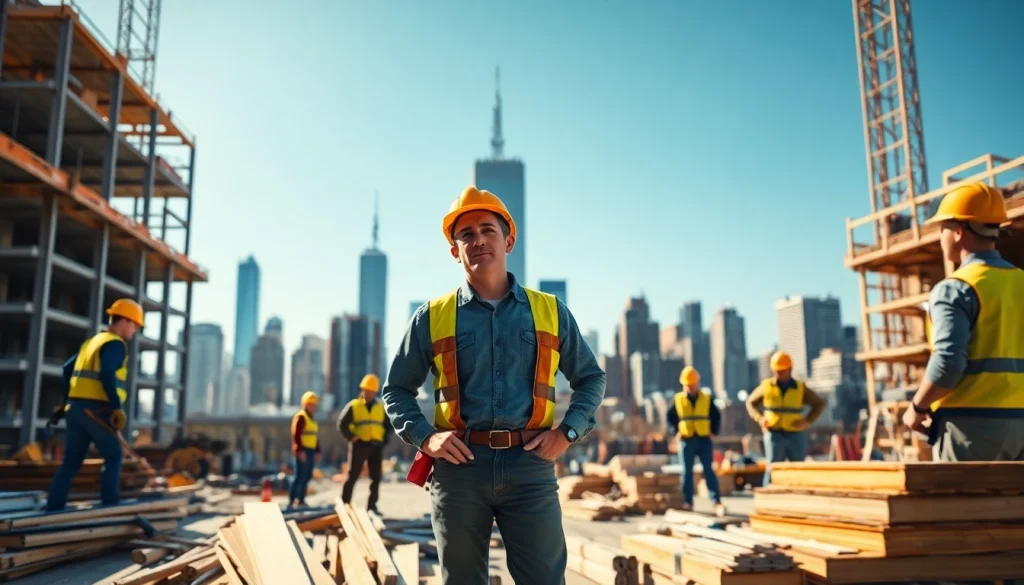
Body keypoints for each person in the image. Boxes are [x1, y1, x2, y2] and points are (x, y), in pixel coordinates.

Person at [381, 186, 606, 584]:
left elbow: (591, 378)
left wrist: (567, 433)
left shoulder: (549, 310)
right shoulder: (432, 317)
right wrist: (425, 438)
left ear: (509, 240)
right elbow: (396, 389)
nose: (478, 239)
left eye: (488, 229)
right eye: (466, 234)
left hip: (530, 466)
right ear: (455, 250)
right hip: (459, 468)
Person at [901, 182, 1024, 461]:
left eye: (941, 228)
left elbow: (948, 363)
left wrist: (918, 408)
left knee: (965, 505)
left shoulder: (955, 289)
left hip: (971, 429)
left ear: (958, 231)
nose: (940, 236)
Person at [46, 299, 143, 511]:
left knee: (71, 462)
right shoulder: (116, 344)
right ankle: (110, 507)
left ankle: (53, 506)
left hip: (75, 410)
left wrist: (67, 403)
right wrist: (116, 406)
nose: (135, 330)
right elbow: (107, 371)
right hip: (96, 412)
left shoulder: (92, 342)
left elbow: (66, 368)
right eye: (134, 325)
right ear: (124, 321)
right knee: (114, 456)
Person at [745, 351, 825, 485]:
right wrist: (760, 418)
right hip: (774, 433)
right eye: (777, 370)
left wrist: (807, 421)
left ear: (790, 369)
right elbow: (750, 403)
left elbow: (819, 404)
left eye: (782, 370)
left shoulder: (800, 387)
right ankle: (768, 496)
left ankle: (799, 495)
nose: (779, 373)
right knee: (773, 467)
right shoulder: (766, 386)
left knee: (798, 467)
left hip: (795, 434)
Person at [666, 366, 725, 516]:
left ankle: (716, 501)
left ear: (697, 383)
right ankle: (688, 502)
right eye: (688, 384)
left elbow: (716, 415)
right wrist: (675, 432)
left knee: (708, 471)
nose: (690, 387)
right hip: (687, 440)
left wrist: (714, 431)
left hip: (704, 439)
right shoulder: (678, 399)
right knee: (687, 473)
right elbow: (670, 417)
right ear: (683, 384)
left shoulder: (706, 398)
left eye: (692, 384)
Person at [337, 373, 390, 514]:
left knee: (376, 478)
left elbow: (389, 426)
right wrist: (351, 437)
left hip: (376, 446)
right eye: (367, 390)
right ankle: (345, 504)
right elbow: (342, 424)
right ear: (363, 390)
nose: (370, 393)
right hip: (359, 445)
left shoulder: (381, 407)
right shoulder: (354, 406)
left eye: (372, 391)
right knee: (352, 475)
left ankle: (372, 507)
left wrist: (385, 439)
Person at [288, 391, 321, 508]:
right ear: (305, 404)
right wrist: (300, 451)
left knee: (307, 476)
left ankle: (301, 499)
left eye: (315, 405)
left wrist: (317, 451)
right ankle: (292, 500)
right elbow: (296, 435)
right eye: (311, 404)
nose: (314, 407)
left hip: (311, 451)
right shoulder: (301, 417)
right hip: (303, 451)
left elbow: (314, 436)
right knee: (299, 476)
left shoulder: (311, 419)